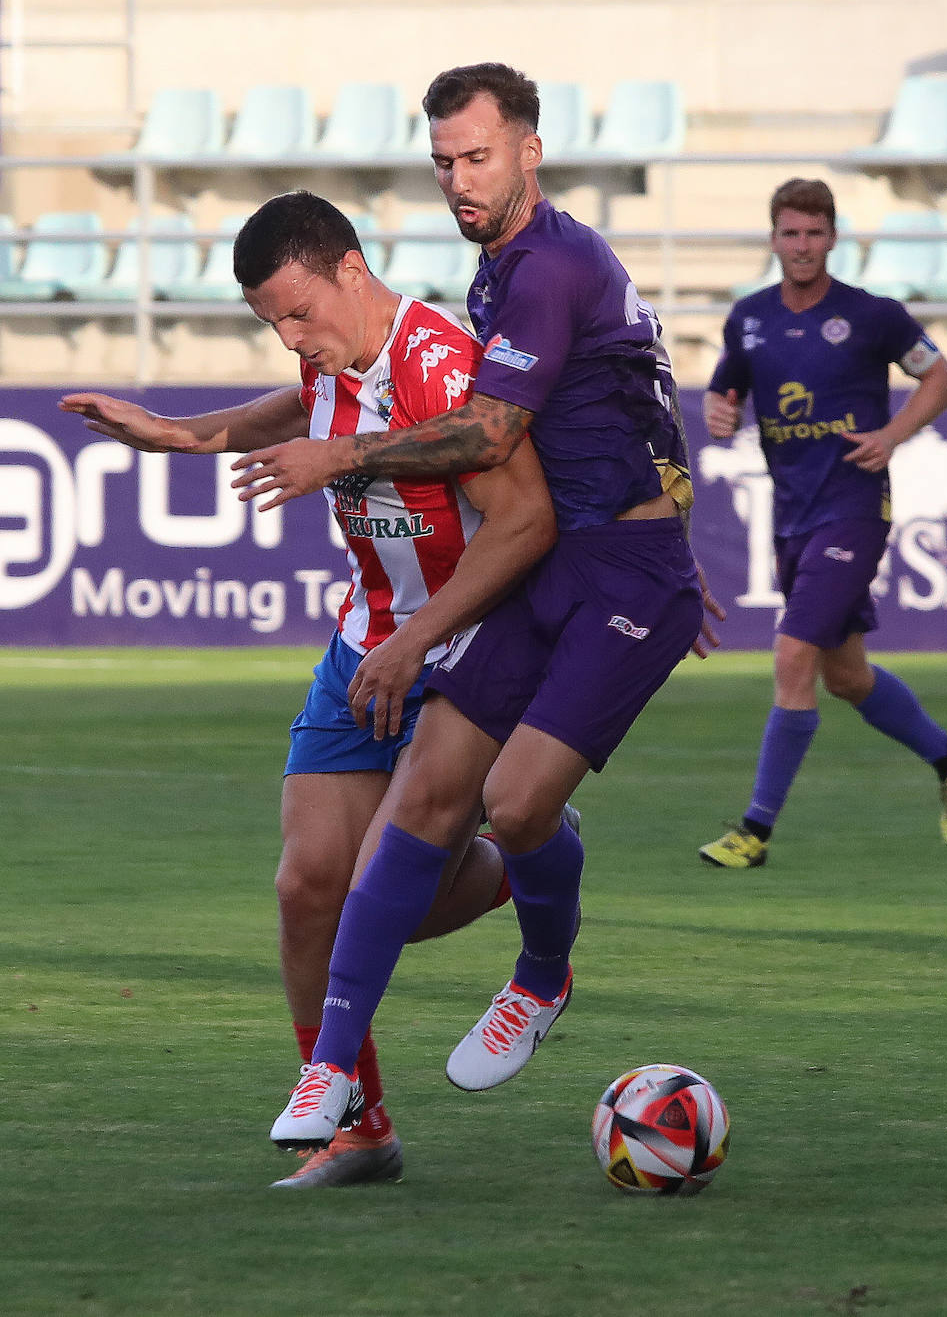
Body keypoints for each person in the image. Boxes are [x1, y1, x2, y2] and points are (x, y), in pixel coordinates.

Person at [229, 63, 722, 1158]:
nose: (458, 177)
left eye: (478, 155)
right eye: (444, 160)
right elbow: (640, 386)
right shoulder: (502, 270)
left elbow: (494, 440)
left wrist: (342, 458)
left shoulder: (545, 268)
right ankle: (332, 1082)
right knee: (426, 802)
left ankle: (543, 975)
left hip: (615, 569)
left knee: (513, 804)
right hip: (573, 560)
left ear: (529, 152)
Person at [60, 190, 558, 1187]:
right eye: (273, 325)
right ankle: (360, 1128)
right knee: (306, 889)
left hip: (457, 654)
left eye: (300, 314)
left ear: (350, 269)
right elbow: (301, 406)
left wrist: (417, 640)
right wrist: (178, 434)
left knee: (392, 899)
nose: (292, 338)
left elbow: (526, 523)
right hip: (362, 649)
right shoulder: (325, 354)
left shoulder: (441, 365)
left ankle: (523, 851)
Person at [698, 177, 947, 871]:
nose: (802, 246)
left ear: (834, 238)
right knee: (848, 677)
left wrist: (892, 435)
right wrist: (718, 406)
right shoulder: (751, 318)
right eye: (790, 233)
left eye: (814, 233)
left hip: (854, 510)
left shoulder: (872, 316)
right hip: (792, 517)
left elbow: (942, 380)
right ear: (774, 239)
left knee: (793, 655)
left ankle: (754, 832)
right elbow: (726, 384)